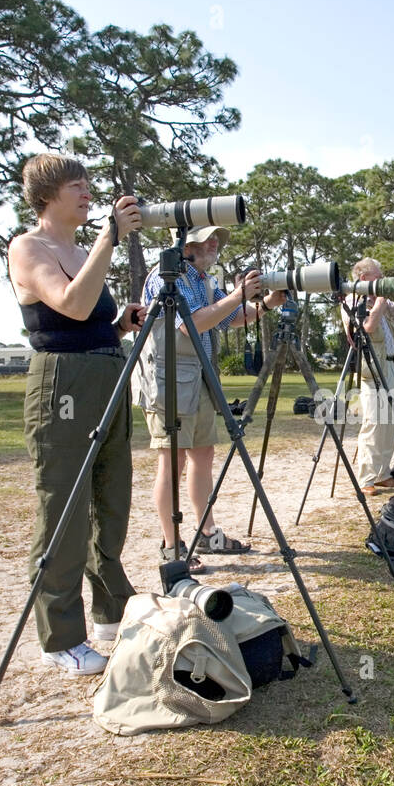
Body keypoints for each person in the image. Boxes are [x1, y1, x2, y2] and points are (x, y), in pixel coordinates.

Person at [7, 153, 146, 676]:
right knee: (64, 508)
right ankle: (60, 636)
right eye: (77, 186)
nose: (88, 194)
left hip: (106, 372)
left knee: (112, 498)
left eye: (89, 185)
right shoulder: (28, 246)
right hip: (61, 383)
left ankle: (110, 609)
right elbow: (68, 303)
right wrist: (111, 238)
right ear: (47, 195)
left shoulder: (84, 247)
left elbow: (93, 321)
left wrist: (122, 325)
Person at [135, 226, 287, 571]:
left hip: (199, 377)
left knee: (203, 455)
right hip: (169, 380)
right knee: (171, 462)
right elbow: (191, 323)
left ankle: (207, 532)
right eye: (208, 237)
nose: (215, 243)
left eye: (217, 237)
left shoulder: (203, 279)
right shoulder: (165, 275)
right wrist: (237, 295)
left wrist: (265, 303)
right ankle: (171, 546)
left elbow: (231, 318)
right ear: (185, 243)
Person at [340, 257, 394, 495]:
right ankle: (366, 479)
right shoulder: (352, 300)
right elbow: (368, 327)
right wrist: (381, 299)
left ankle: (382, 474)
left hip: (390, 366)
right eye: (378, 276)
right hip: (370, 369)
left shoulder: (379, 300)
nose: (382, 280)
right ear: (363, 278)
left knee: (389, 423)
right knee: (373, 422)